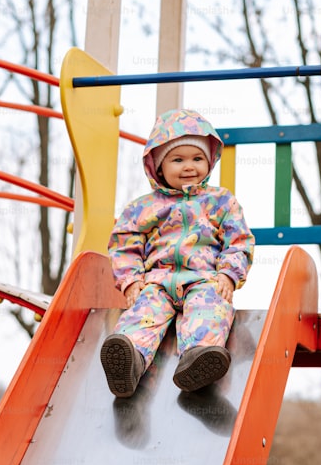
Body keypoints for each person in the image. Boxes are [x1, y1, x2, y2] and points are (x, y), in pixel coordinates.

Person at [100, 108, 254, 398]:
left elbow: (239, 240)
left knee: (209, 310)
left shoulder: (220, 201)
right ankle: (129, 359)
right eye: (177, 159)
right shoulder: (142, 207)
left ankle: (199, 357)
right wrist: (131, 280)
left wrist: (229, 275)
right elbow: (123, 245)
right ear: (158, 166)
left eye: (197, 158)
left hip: (205, 279)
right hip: (156, 281)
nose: (189, 166)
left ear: (209, 161)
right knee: (143, 315)